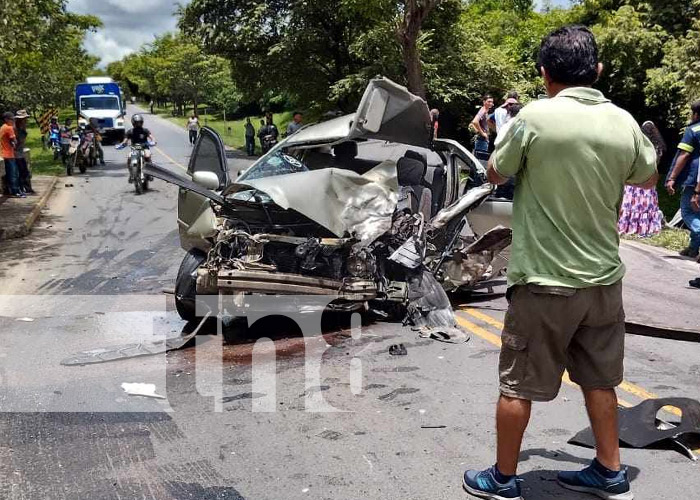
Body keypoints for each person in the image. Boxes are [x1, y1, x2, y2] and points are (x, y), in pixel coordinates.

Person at [462, 26, 657, 500]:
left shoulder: (535, 118)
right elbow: (648, 178)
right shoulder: (624, 122)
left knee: (517, 386)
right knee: (601, 380)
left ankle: (504, 480)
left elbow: (495, 171)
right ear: (598, 71)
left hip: (544, 283)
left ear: (545, 73)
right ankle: (611, 472)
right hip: (603, 284)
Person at [665, 101, 700, 259]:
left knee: (687, 211)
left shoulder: (693, 130)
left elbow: (684, 155)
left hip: (694, 178)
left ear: (696, 114)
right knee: (696, 213)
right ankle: (693, 249)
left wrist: (672, 178)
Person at [618, 121, 665, 237]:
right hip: (649, 180)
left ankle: (628, 226)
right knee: (647, 206)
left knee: (630, 204)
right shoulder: (658, 148)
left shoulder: (640, 145)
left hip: (636, 179)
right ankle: (646, 228)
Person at [118, 114, 156, 183]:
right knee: (129, 157)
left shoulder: (145, 130)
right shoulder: (130, 131)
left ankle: (150, 173)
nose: (138, 124)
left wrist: (153, 141)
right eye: (136, 122)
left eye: (139, 122)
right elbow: (125, 139)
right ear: (133, 123)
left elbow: (151, 137)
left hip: (144, 148)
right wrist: (122, 144)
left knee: (147, 155)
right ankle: (131, 174)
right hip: (135, 149)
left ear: (142, 122)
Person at [1, 111, 22, 198]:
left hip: (2, 153)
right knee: (13, 174)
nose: (13, 121)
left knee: (7, 174)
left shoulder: (2, 127)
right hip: (9, 154)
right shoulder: (9, 128)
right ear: (6, 119)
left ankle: (7, 190)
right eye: (11, 119)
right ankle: (15, 191)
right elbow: (14, 142)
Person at [14, 110, 33, 194]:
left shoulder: (22, 128)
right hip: (16, 153)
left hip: (20, 153)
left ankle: (26, 188)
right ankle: (22, 188)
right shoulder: (16, 129)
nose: (26, 120)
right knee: (21, 172)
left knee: (25, 171)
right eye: (24, 119)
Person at [470, 94, 494, 160]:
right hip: (481, 139)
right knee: (480, 160)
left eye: (492, 102)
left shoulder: (485, 111)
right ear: (484, 102)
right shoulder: (483, 110)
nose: (491, 103)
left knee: (478, 159)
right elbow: (474, 121)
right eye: (489, 101)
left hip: (482, 139)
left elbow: (472, 124)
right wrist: (482, 133)